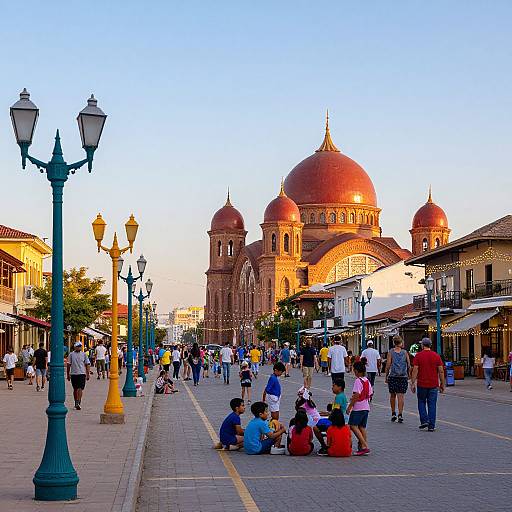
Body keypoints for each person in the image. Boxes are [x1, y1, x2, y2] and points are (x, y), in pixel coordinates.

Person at [410, 338, 445, 432]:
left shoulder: (418, 356)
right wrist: (442, 383)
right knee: (432, 404)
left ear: (422, 345)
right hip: (434, 384)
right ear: (430, 345)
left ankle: (424, 420)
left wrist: (413, 382)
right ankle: (431, 425)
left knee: (421, 402)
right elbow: (441, 371)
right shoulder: (436, 356)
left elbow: (415, 370)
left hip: (422, 383)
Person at [346, 361, 373, 456]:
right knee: (362, 427)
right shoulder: (367, 380)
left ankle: (365, 445)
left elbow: (357, 394)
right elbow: (370, 394)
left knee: (353, 425)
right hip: (366, 407)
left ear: (357, 371)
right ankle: (362, 446)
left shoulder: (358, 381)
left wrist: (350, 406)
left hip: (358, 407)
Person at [385, 335, 411, 423]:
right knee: (401, 396)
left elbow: (388, 365)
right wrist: (409, 374)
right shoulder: (405, 352)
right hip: (403, 377)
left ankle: (393, 413)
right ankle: (400, 414)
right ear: (401, 342)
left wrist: (386, 375)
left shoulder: (391, 352)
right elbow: (409, 365)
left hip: (393, 376)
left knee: (392, 395)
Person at [67, 342, 90, 410]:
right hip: (74, 374)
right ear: (75, 347)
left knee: (80, 388)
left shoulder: (84, 354)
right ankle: (76, 402)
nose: (79, 347)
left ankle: (78, 402)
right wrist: (68, 374)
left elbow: (87, 364)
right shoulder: (71, 354)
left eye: (80, 346)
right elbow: (68, 364)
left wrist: (88, 373)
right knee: (75, 389)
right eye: (78, 346)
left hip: (82, 373)